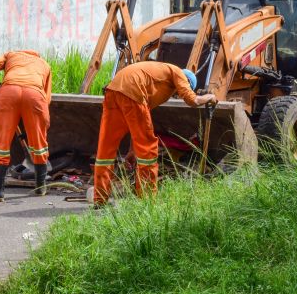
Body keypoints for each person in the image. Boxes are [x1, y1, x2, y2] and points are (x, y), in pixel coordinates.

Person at [92, 61, 217, 206]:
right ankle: (147, 200)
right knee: (148, 150)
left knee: (106, 149)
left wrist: (132, 150)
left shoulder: (157, 80)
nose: (177, 93)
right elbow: (192, 100)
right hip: (133, 90)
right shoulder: (177, 71)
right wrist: (209, 97)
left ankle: (99, 200)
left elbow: (137, 123)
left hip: (112, 91)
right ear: (187, 81)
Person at [0, 50, 52, 202]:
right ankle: (40, 188)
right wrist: (38, 125)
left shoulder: (11, 55)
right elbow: (46, 99)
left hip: (8, 93)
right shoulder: (44, 65)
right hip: (35, 95)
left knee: (0, 144)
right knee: (39, 144)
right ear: (37, 55)